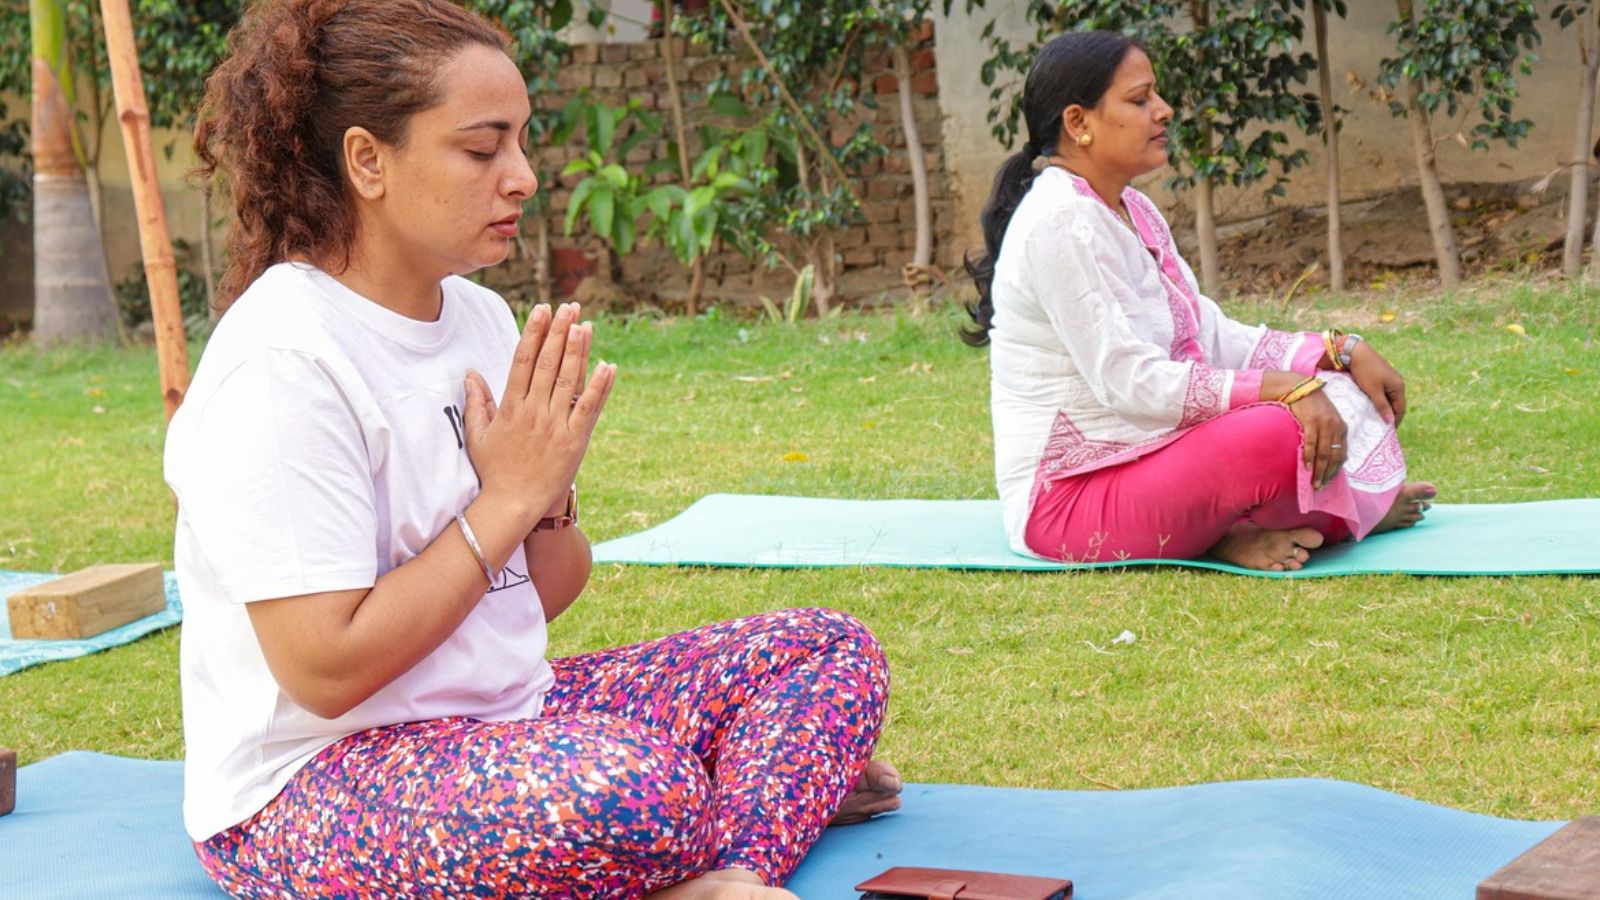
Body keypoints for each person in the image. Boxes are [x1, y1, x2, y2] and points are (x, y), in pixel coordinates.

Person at [167, 2, 898, 897]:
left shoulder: (480, 316)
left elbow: (541, 591)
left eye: (521, 143)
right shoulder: (284, 361)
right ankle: (723, 816)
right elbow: (324, 671)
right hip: (311, 786)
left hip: (514, 722)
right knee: (637, 791)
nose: (522, 178)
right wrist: (505, 500)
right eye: (483, 149)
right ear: (367, 160)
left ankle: (727, 872)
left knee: (823, 654)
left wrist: (546, 492)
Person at [964, 31, 1436, 572]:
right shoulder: (1060, 222)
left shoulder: (1131, 209)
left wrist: (1336, 351)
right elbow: (1129, 382)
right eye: (1139, 100)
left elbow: (1209, 335)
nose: (1163, 111)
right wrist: (1284, 390)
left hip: (1156, 459)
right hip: (1069, 500)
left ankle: (1274, 520)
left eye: (1156, 96)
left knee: (1335, 390)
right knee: (1280, 430)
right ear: (1079, 123)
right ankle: (1283, 523)